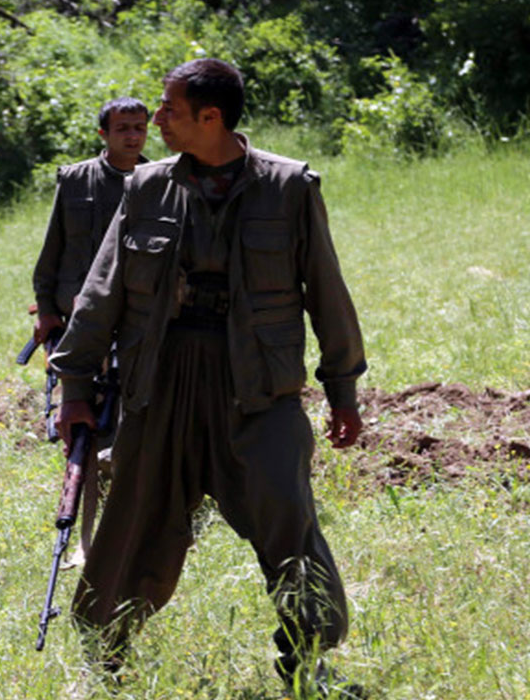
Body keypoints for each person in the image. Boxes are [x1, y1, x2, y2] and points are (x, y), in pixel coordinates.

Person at [50, 59, 366, 698]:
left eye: (168, 110)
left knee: (286, 512)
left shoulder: (288, 188)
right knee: (137, 517)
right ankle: (103, 655)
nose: (156, 121)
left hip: (258, 386)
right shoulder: (145, 190)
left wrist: (343, 390)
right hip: (160, 384)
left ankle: (307, 659)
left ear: (210, 117)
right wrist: (75, 389)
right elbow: (101, 293)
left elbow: (328, 293)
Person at [31, 98, 150, 568]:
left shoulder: (160, 180)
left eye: (139, 127)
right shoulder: (76, 180)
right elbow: (52, 249)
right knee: (80, 426)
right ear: (103, 134)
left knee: (132, 427)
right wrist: (45, 309)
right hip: (80, 325)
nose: (132, 136)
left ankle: (133, 524)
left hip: (136, 321)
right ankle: (82, 534)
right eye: (122, 128)